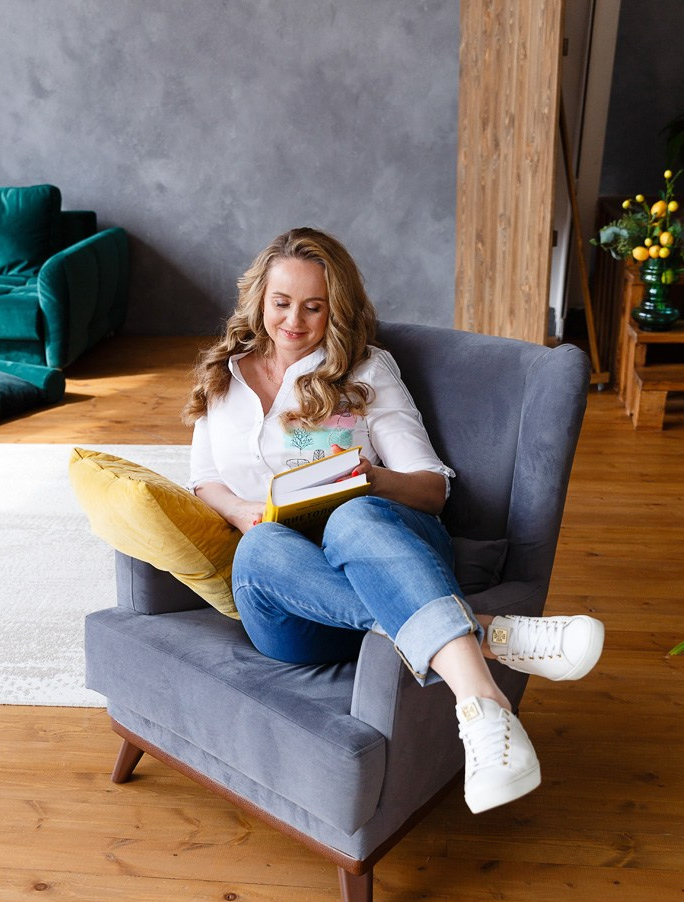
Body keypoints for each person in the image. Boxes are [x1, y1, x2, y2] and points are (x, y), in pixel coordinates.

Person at [183, 227, 604, 814]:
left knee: (353, 517)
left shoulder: (365, 370)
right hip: (296, 605)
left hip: (384, 545)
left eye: (313, 307)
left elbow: (432, 488)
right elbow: (204, 478)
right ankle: (486, 633)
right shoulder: (223, 373)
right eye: (281, 303)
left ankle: (482, 709)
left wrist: (369, 479)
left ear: (336, 309)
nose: (293, 322)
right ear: (259, 299)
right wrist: (240, 510)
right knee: (259, 549)